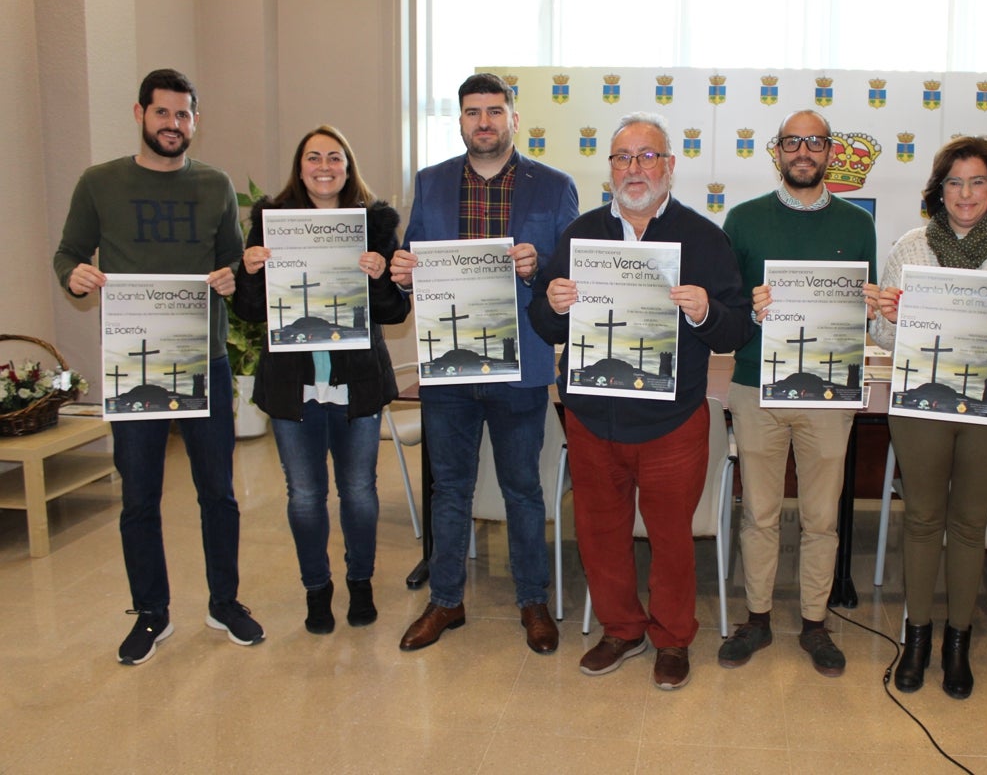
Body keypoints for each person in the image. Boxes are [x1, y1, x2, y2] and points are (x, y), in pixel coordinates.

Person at [529, 111, 753, 691]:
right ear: (609, 169)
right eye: (623, 157)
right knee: (600, 534)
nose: (635, 168)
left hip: (670, 421)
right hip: (591, 417)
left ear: (670, 166)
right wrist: (552, 303)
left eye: (647, 156)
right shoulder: (580, 234)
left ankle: (673, 639)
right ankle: (621, 630)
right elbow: (544, 324)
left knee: (672, 539)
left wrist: (705, 311)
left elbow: (735, 330)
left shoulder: (703, 238)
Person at [52, 68, 264, 664]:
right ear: (140, 114)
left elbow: (231, 264)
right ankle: (152, 612)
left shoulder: (216, 185)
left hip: (208, 360)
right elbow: (69, 252)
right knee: (140, 496)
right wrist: (73, 274)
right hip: (133, 361)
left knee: (217, 492)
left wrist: (232, 275)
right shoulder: (100, 184)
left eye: (184, 115)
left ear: (195, 120)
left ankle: (225, 602)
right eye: (163, 113)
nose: (174, 125)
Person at [390, 73, 577, 655]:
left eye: (495, 111)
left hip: (521, 365)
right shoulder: (431, 182)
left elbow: (570, 276)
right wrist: (403, 272)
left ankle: (532, 600)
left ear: (514, 119)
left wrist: (539, 265)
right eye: (473, 112)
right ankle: (446, 601)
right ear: (461, 121)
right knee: (450, 488)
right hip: (449, 365)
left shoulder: (554, 186)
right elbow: (416, 256)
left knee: (523, 488)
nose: (484, 122)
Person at [865, 135, 987, 698]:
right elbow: (882, 335)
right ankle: (917, 636)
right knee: (923, 519)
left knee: (969, 525)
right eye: (954, 182)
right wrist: (891, 317)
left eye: (977, 181)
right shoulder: (910, 248)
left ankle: (957, 643)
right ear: (938, 190)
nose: (965, 193)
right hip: (924, 402)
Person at [232, 125, 409, 634]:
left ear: (348, 167)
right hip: (294, 384)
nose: (325, 166)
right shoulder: (271, 221)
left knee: (358, 491)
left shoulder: (374, 223)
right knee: (305, 495)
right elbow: (248, 311)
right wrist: (249, 270)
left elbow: (396, 312)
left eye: (335, 157)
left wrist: (380, 276)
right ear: (300, 166)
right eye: (314, 157)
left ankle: (360, 582)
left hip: (357, 383)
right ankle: (317, 589)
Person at [719, 110, 877, 676]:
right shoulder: (742, 219)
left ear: (831, 152)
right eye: (792, 142)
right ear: (776, 151)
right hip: (757, 382)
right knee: (758, 511)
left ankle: (815, 623)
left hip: (829, 392)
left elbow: (863, 312)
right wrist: (749, 309)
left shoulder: (858, 224)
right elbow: (724, 312)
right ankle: (757, 618)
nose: (803, 151)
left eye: (814, 142)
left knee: (821, 517)